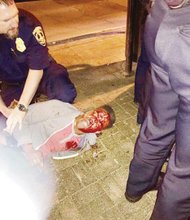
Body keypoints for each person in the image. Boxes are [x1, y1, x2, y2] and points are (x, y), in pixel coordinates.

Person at [125, 0, 190, 219]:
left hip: (161, 19)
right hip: (185, 33)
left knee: (158, 126)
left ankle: (137, 186)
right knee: (186, 169)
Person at [0, 0, 77, 133]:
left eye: (15, 15)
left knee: (64, 92)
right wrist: (4, 109)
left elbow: (36, 69)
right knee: (6, 123)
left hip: (41, 70)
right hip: (13, 82)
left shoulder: (29, 23)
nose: (15, 23)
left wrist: (22, 107)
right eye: (7, 20)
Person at [1, 99, 115, 166]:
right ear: (89, 111)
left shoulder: (83, 144)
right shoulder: (58, 108)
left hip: (29, 162)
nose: (92, 119)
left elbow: (60, 153)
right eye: (94, 113)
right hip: (11, 139)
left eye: (99, 122)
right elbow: (19, 118)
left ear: (98, 131)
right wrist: (28, 149)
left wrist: (43, 157)